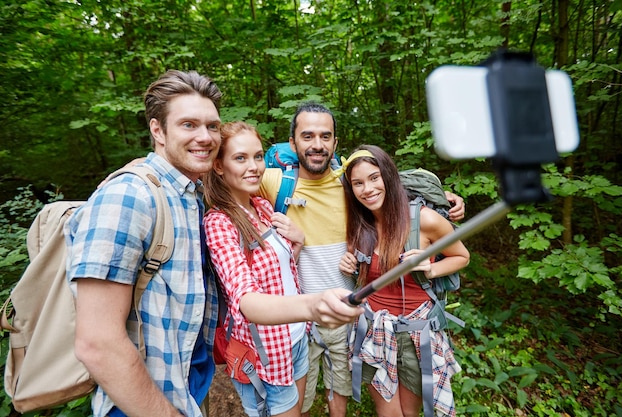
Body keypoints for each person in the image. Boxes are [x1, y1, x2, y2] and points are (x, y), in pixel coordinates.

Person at [258, 102, 466, 417]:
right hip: (339, 320)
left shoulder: (358, 188)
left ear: (335, 144)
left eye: (325, 136)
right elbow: (233, 176)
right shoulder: (277, 183)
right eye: (308, 136)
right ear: (293, 143)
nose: (317, 144)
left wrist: (448, 200)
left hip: (387, 322)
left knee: (394, 407)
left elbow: (389, 184)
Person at [65, 70, 223, 417]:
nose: (206, 137)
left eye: (213, 126)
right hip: (139, 403)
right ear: (157, 130)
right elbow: (98, 342)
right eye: (188, 125)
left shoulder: (190, 195)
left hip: (185, 390)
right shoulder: (128, 198)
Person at [203, 121, 364, 417]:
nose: (253, 167)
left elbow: (281, 270)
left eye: (258, 156)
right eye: (240, 158)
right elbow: (245, 300)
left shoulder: (263, 207)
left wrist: (298, 243)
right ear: (218, 166)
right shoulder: (220, 223)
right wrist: (314, 305)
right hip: (266, 353)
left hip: (297, 338)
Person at [337, 145, 470, 417]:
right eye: (358, 183)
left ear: (388, 175)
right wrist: (349, 265)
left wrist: (430, 268)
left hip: (417, 334)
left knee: (409, 413)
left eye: (374, 178)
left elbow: (461, 256)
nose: (368, 189)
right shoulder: (360, 224)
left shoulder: (424, 220)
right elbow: (368, 276)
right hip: (375, 331)